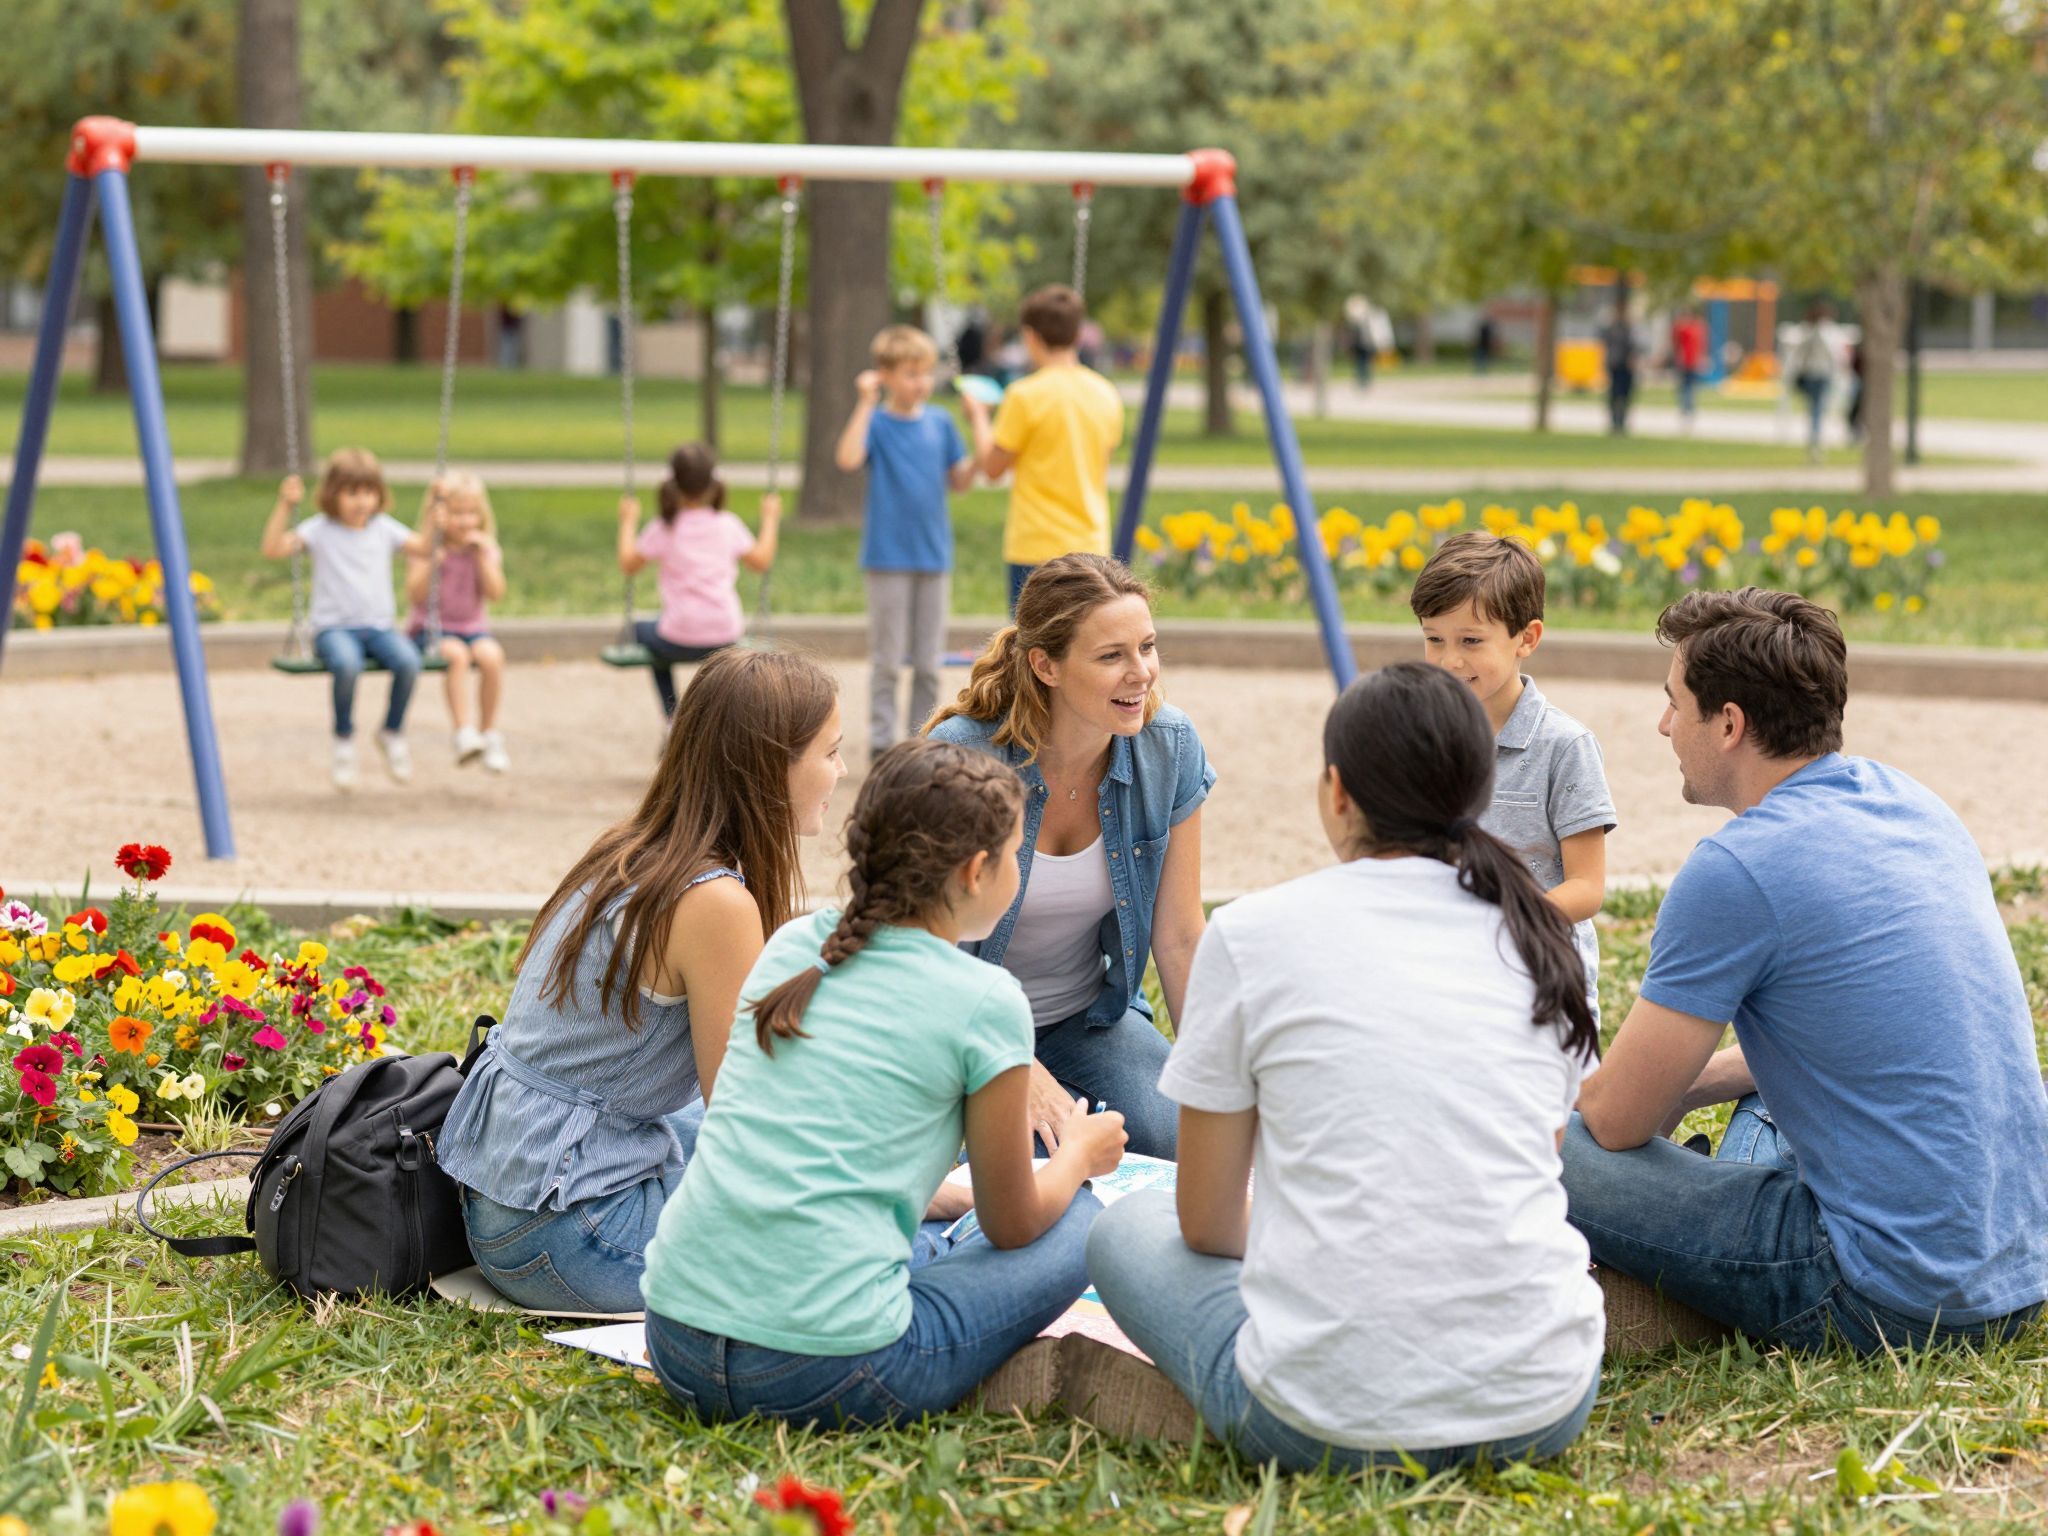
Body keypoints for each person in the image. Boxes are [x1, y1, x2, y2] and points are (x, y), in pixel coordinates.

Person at [1088, 662, 1604, 1472]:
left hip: (1322, 1422)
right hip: (1543, 1402)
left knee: (1123, 1228)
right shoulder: (1542, 940)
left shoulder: (1254, 934)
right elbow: (1537, 1162)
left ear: (1337, 793)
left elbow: (1208, 1223)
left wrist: (1316, 1240)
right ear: (1479, 794)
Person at [1566, 588, 2048, 1353]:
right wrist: (1693, 1086)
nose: (1663, 725)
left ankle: (1675, 1281)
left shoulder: (1735, 870)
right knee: (1769, 1094)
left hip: (1890, 1296)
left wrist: (1608, 1125)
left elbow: (1616, 1123)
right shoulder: (1912, 805)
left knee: (1542, 1135)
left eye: (1674, 703)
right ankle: (1698, 1230)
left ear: (1729, 724)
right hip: (2017, 1267)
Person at [640, 739, 1127, 1425]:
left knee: (943, 1225)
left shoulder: (793, 944)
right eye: (1016, 855)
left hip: (676, 1341)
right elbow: (1013, 1223)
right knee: (1079, 1221)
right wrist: (1076, 1156)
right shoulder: (985, 1000)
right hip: (828, 1372)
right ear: (977, 871)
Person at [435, 650, 847, 1314]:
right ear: (773, 766)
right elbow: (746, 1112)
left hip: (507, 1192)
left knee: (777, 1132)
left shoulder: (636, 849)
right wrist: (889, 1189)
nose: (842, 771)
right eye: (831, 752)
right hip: (569, 1232)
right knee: (845, 1232)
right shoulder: (714, 901)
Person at [926, 554, 1212, 1159]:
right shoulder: (962, 759)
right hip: (962, 1023)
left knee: (1183, 1137)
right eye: (1111, 657)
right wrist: (1014, 1064)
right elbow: (923, 956)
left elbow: (1182, 939)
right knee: (1016, 1161)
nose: (1142, 673)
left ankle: (1075, 1105)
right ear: (1045, 666)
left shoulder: (1169, 746)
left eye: (1147, 647)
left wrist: (1217, 1089)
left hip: (1086, 1016)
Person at [1412, 532, 1615, 1024]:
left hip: (1541, 988)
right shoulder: (1424, 736)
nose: (1449, 660)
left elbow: (1587, 887)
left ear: (1527, 638)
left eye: (1470, 641)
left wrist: (1505, 926)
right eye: (1434, 639)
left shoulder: (1565, 746)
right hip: (1449, 981)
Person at [834, 325, 975, 756]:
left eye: (925, 373)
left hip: (934, 555)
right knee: (888, 661)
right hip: (888, 557)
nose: (921, 382)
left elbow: (962, 481)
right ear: (886, 375)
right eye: (911, 374)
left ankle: (921, 742)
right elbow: (847, 458)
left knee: (929, 664)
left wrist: (978, 423)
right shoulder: (876, 423)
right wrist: (865, 402)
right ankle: (882, 745)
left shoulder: (941, 422)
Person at [259, 447, 433, 791]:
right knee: (347, 664)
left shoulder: (383, 528)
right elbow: (273, 549)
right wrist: (285, 506)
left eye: (369, 492)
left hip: (379, 628)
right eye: (351, 493)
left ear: (379, 494)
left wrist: (433, 513)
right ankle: (343, 739)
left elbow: (424, 548)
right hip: (333, 630)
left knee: (409, 661)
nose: (361, 501)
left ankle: (391, 732)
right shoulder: (320, 530)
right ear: (332, 494)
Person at [959, 286, 1125, 615]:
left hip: (1035, 546)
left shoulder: (1024, 395)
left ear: (1030, 336)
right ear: (1078, 334)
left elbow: (992, 469)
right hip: (1091, 543)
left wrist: (978, 416)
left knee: (1033, 640)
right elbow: (1103, 460)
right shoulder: (1106, 393)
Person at [615, 443, 780, 719]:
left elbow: (628, 565)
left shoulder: (664, 527)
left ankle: (673, 716)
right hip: (725, 633)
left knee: (639, 631)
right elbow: (761, 561)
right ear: (714, 483)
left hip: (677, 635)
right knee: (714, 661)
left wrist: (628, 521)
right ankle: (714, 719)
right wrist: (770, 518)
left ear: (672, 483)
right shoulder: (727, 524)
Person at [404, 472, 510, 772]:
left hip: (473, 628)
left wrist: (482, 558)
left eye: (471, 513)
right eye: (456, 513)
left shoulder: (485, 549)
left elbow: (496, 593)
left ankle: (489, 733)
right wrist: (432, 563)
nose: (465, 521)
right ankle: (463, 731)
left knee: (492, 656)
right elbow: (414, 594)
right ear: (438, 515)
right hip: (430, 630)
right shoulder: (425, 548)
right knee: (456, 656)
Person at [1787, 302, 1840, 463]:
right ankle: (1815, 442)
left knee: (1815, 409)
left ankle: (1814, 441)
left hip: (1812, 375)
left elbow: (1798, 355)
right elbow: (1832, 355)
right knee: (1817, 409)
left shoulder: (1807, 332)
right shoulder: (1822, 333)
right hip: (1819, 375)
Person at [1601, 301, 1641, 435]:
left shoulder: (1630, 328)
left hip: (1626, 367)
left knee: (1625, 395)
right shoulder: (1613, 328)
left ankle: (1621, 422)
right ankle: (1615, 422)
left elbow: (1635, 347)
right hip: (1616, 365)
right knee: (1615, 394)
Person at [1669, 307, 1708, 429]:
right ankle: (1687, 410)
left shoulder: (1688, 329)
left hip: (1690, 362)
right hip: (1686, 362)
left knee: (1687, 388)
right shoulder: (1692, 329)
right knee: (1687, 388)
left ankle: (1687, 410)